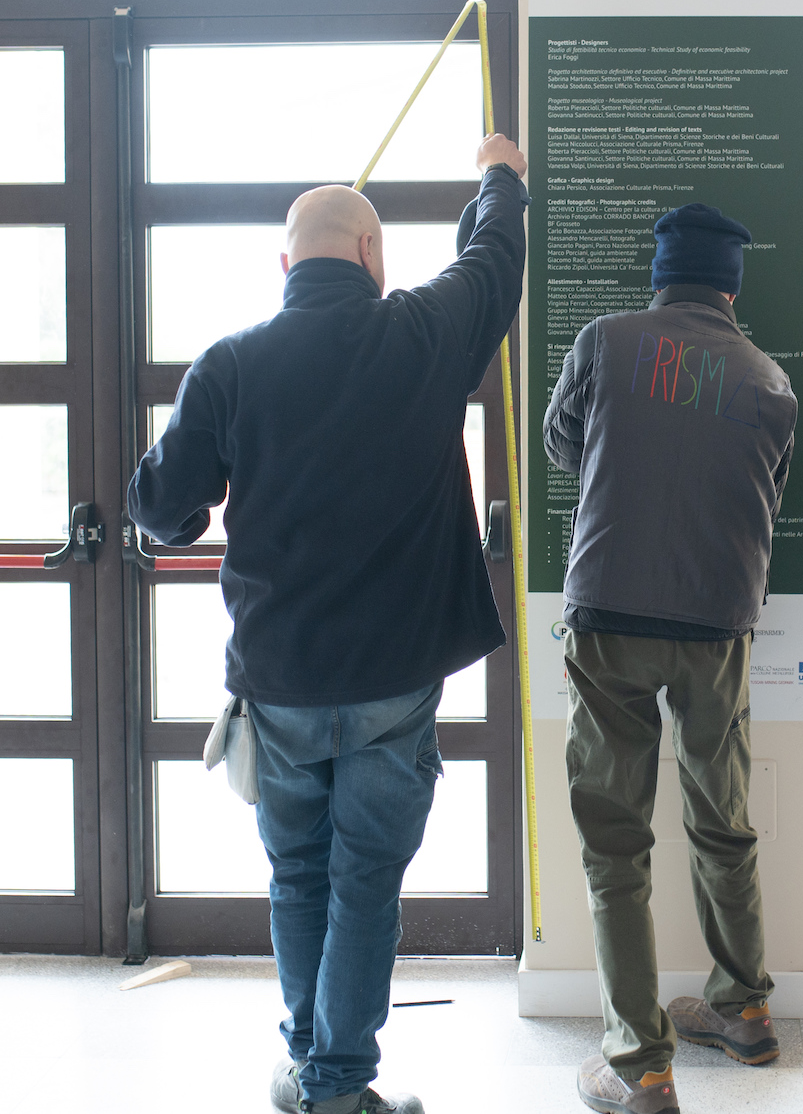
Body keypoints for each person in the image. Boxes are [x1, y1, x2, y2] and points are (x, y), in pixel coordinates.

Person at [127, 133, 529, 1114]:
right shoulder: (425, 331)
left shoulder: (230, 364)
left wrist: (186, 504)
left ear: (283, 264)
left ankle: (311, 1062)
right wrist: (497, 177)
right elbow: (493, 264)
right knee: (363, 884)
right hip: (393, 680)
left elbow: (159, 508)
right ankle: (336, 1083)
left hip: (281, 680)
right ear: (371, 256)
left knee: (298, 871)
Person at [542, 203, 798, 1114]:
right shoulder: (770, 381)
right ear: (732, 285)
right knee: (722, 821)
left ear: (660, 273)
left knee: (616, 841)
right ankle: (746, 1007)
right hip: (718, 624)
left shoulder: (605, 341)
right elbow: (765, 492)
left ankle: (641, 1062)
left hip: (609, 610)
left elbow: (564, 442)